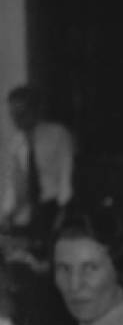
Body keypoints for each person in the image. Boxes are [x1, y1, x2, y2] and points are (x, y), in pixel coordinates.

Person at [0, 86, 75, 242]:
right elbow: (13, 183)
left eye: (22, 113)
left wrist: (63, 211)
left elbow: (66, 175)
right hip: (27, 210)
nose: (17, 119)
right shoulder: (16, 143)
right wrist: (6, 213)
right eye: (13, 114)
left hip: (52, 206)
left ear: (35, 110)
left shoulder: (58, 134)